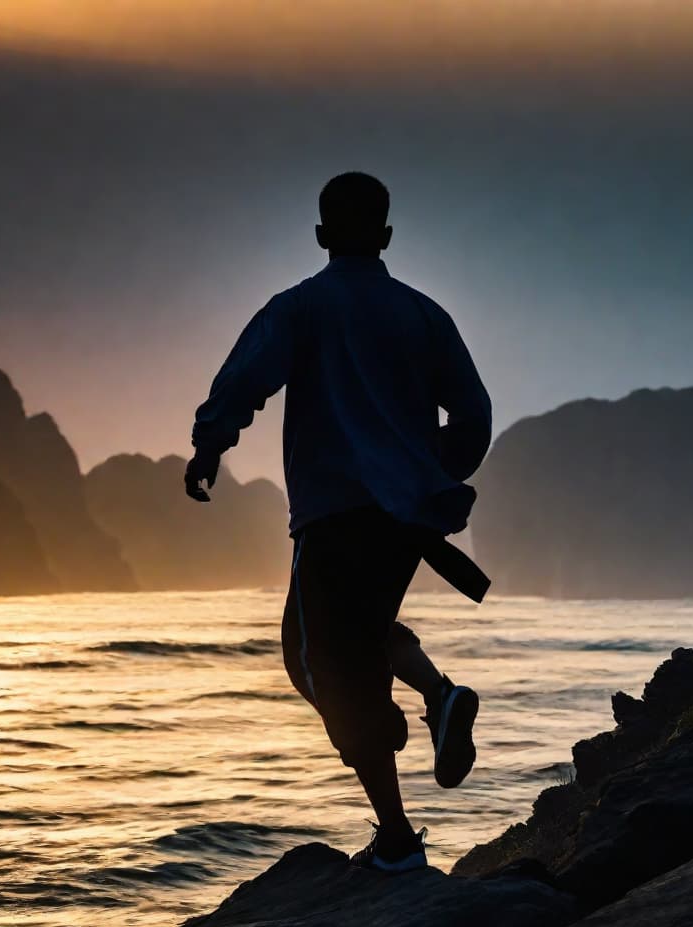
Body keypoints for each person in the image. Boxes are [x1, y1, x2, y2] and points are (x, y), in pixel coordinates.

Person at [186, 172, 492, 871]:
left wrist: (210, 445)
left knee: (319, 665)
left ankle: (395, 839)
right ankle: (438, 696)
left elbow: (243, 381)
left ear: (322, 236)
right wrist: (429, 470)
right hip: (406, 524)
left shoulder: (301, 308)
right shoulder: (423, 315)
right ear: (386, 236)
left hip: (331, 515)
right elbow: (473, 416)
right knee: (361, 636)